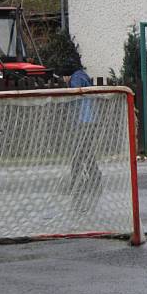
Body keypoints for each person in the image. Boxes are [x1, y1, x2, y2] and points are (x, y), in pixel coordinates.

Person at [55, 57, 101, 211]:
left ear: (66, 74)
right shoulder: (83, 74)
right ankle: (95, 178)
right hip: (89, 121)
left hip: (83, 122)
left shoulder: (76, 78)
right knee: (86, 153)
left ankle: (77, 182)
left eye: (63, 77)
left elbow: (75, 93)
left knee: (77, 154)